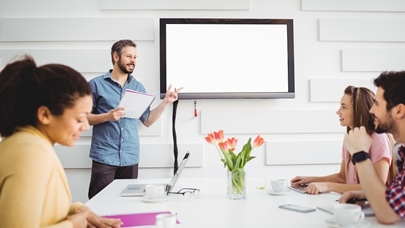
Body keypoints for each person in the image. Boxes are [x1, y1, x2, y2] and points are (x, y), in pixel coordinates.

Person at [0, 56, 122, 228]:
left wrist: (76, 210)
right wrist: (72, 224)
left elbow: (39, 209)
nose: (86, 126)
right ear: (45, 115)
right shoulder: (30, 153)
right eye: (80, 119)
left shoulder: (29, 144)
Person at [87, 39, 182, 199]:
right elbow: (84, 118)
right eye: (129, 56)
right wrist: (107, 116)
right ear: (116, 57)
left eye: (135, 57)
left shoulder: (138, 87)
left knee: (127, 202)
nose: (133, 61)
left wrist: (166, 101)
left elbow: (148, 120)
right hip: (105, 156)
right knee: (99, 202)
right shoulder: (96, 85)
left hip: (130, 157)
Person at [291, 86, 394, 194]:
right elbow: (342, 177)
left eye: (344, 107)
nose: (338, 111)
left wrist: (328, 186)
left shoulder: (378, 139)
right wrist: (310, 180)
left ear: (358, 110)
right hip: (353, 205)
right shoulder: (350, 138)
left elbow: (377, 187)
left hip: (376, 208)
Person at [339, 71, 405, 224]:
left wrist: (360, 154)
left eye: (376, 103)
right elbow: (395, 198)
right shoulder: (401, 152)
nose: (371, 110)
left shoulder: (379, 141)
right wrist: (364, 193)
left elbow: (388, 214)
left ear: (399, 111)